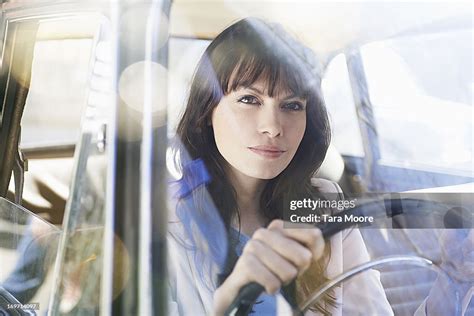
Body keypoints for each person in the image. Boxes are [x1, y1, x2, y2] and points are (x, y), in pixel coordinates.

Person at [166, 17, 472, 315]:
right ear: (207, 109)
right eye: (249, 99)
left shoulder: (322, 204)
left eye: (292, 105)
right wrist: (231, 303)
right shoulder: (162, 221)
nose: (272, 127)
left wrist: (453, 280)